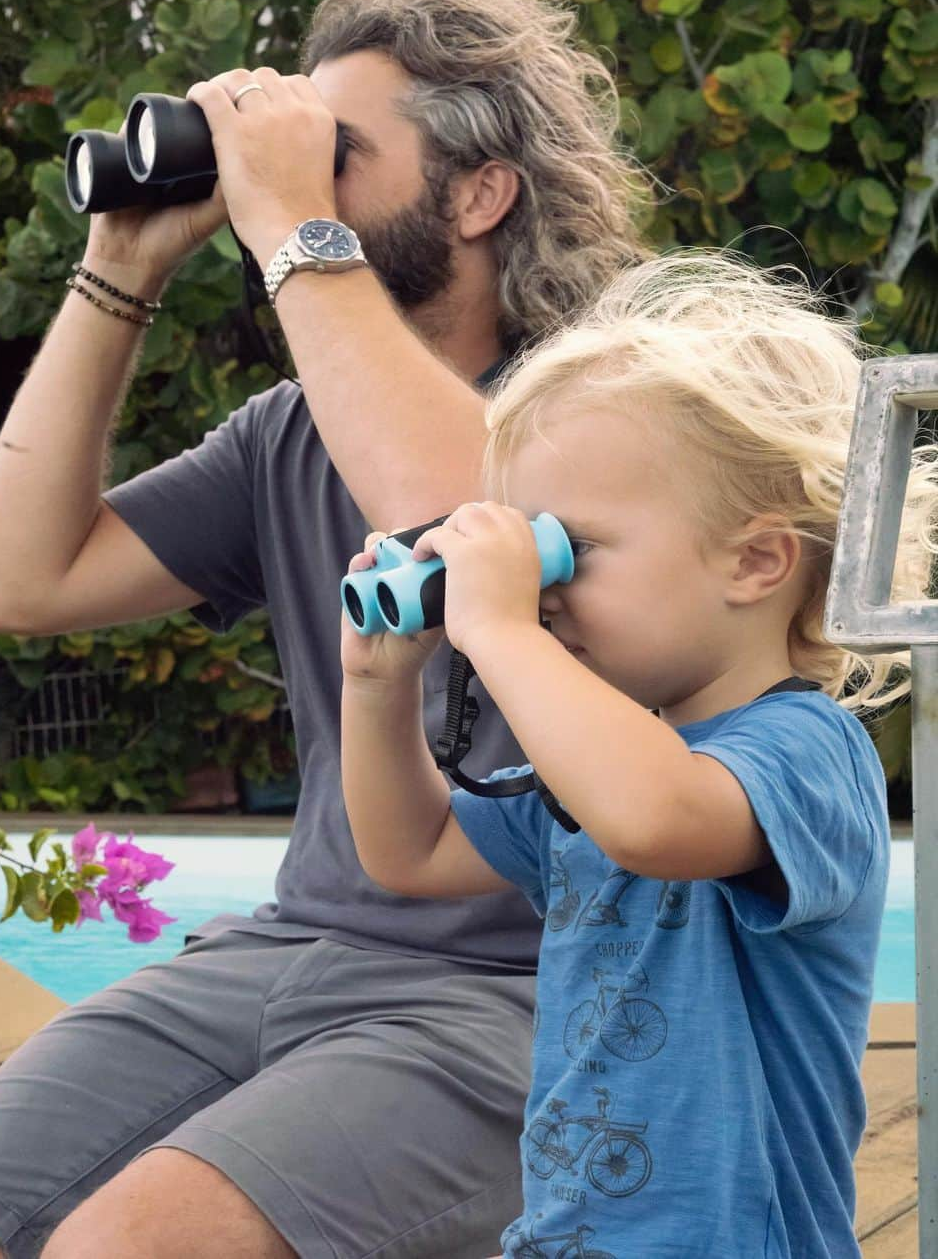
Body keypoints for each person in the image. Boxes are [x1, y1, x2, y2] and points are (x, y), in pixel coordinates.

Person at [0, 0, 649, 1259]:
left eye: (340, 154)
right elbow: (14, 582)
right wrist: (120, 263)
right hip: (296, 948)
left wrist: (287, 215)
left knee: (130, 1245)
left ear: (479, 192)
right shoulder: (291, 434)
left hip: (525, 989)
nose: (293, 181)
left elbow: (456, 511)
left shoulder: (615, 410)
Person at [340, 250, 930, 1258]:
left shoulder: (806, 750)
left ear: (754, 561)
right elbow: (412, 853)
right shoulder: (602, 762)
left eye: (568, 550)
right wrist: (376, 685)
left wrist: (506, 633)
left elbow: (659, 820)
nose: (542, 587)